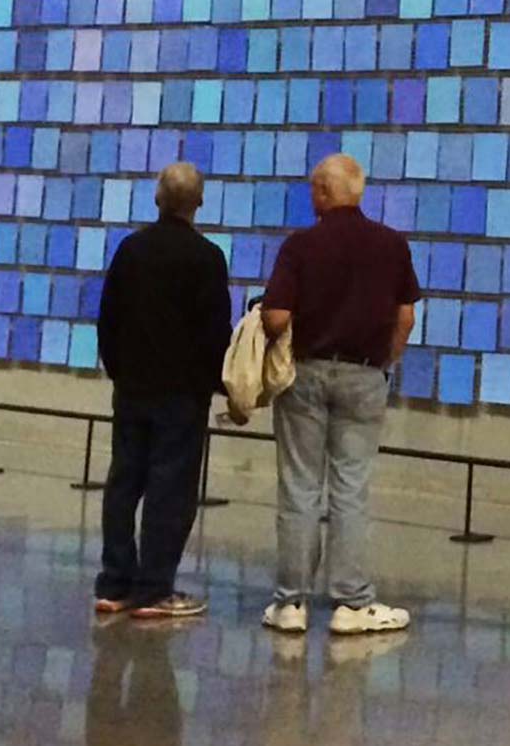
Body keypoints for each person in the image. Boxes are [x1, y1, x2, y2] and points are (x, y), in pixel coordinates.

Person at [260, 153, 417, 635]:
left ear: (323, 193)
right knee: (350, 489)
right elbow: (406, 316)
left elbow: (277, 317)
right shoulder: (392, 244)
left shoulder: (300, 246)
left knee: (300, 487)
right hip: (364, 374)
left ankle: (291, 604)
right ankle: (352, 604)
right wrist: (383, 363)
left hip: (305, 374)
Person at [93, 162, 232, 620]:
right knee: (170, 490)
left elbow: (108, 319)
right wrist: (218, 385)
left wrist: (119, 371)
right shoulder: (207, 257)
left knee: (124, 482)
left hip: (132, 386)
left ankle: (114, 582)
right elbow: (215, 332)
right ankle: (154, 588)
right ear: (199, 203)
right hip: (181, 394)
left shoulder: (130, 250)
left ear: (157, 198)